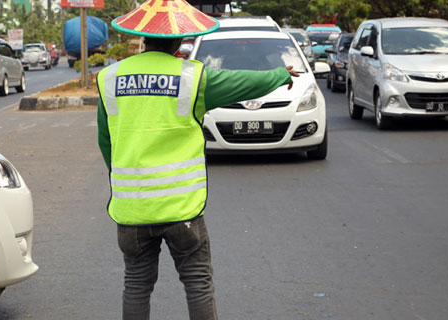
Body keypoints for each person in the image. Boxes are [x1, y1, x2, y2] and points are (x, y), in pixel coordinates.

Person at [96, 1, 298, 319]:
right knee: (198, 284)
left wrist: (123, 178)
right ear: (179, 41)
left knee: (135, 285)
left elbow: (105, 142)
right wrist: (278, 75)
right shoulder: (192, 78)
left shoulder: (109, 78)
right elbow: (241, 83)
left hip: (132, 208)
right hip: (182, 208)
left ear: (141, 38)